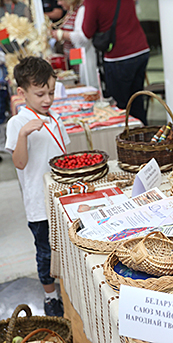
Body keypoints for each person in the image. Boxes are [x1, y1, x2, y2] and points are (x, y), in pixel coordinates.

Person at [5, 56, 70, 316]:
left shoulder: (56, 119)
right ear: (22, 93)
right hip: (38, 202)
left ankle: (67, 289)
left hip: (62, 198)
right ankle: (50, 296)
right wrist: (23, 135)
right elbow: (19, 163)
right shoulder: (17, 123)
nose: (47, 99)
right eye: (40, 93)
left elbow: (64, 155)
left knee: (66, 248)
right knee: (45, 251)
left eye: (51, 93)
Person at [82, 0, 150, 125]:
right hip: (141, 48)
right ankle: (144, 137)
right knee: (136, 101)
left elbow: (87, 31)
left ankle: (129, 140)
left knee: (121, 108)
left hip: (119, 55)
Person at [51, 0, 99, 89]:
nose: (59, 3)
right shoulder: (71, 11)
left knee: (82, 83)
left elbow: (82, 38)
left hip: (81, 56)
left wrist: (62, 35)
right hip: (74, 56)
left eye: (61, 0)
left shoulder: (81, 10)